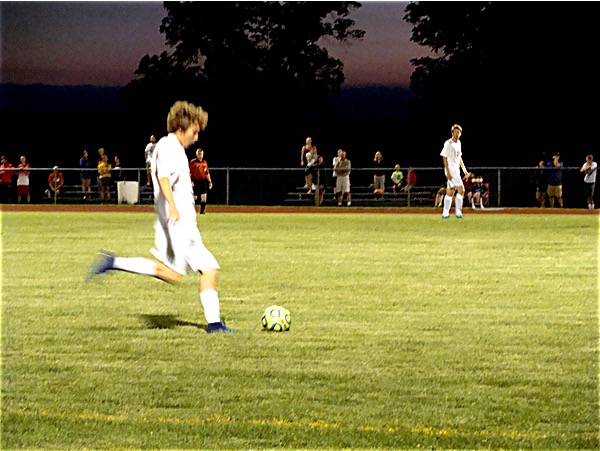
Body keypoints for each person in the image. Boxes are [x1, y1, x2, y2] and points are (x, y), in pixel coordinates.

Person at [88, 100, 233, 334]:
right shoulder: (168, 147)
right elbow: (164, 178)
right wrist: (173, 206)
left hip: (184, 222)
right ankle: (113, 262)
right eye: (194, 132)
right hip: (178, 223)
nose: (196, 138)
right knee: (173, 274)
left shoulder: (173, 147)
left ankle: (215, 325)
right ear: (181, 128)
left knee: (209, 269)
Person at [440, 124, 469, 218]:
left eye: (458, 132)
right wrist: (447, 172)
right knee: (461, 190)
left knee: (450, 191)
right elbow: (444, 158)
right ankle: (458, 212)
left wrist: (464, 170)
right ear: (452, 133)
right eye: (455, 132)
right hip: (451, 170)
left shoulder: (459, 143)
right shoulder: (448, 143)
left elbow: (459, 157)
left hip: (456, 170)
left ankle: (445, 213)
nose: (457, 134)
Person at [189, 148, 213, 214]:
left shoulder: (204, 163)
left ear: (203, 155)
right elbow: (189, 173)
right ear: (196, 154)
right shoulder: (193, 162)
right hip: (195, 181)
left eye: (201, 154)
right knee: (195, 197)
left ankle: (202, 212)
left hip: (203, 181)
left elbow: (207, 173)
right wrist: (190, 181)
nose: (200, 155)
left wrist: (210, 182)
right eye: (199, 154)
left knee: (204, 196)